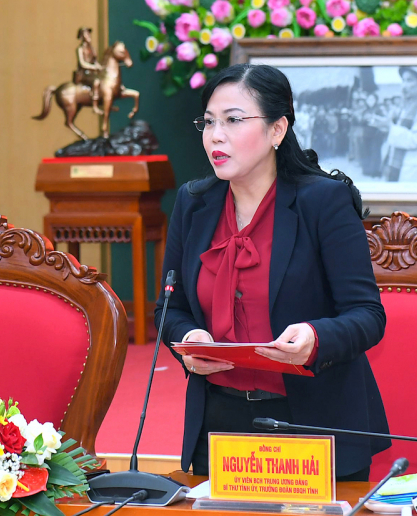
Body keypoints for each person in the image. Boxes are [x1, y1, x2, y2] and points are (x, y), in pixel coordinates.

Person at [155, 64, 389, 481]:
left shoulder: (324, 202)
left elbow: (367, 315)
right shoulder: (194, 204)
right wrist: (190, 340)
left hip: (314, 426)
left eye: (233, 120)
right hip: (220, 427)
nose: (215, 136)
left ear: (278, 129)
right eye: (208, 122)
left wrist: (316, 338)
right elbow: (170, 309)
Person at [368, 66, 417, 182]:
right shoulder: (404, 106)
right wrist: (383, 126)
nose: (404, 85)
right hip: (398, 166)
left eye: (409, 80)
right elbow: (397, 130)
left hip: (415, 170)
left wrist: (390, 128)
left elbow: (416, 139)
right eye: (403, 80)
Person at [73, 27, 103, 115]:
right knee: (96, 82)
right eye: (86, 34)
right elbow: (82, 64)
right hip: (83, 74)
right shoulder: (80, 49)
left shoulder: (92, 49)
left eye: (88, 34)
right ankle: (95, 106)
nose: (88, 35)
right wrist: (93, 67)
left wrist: (99, 67)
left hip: (92, 73)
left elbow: (95, 61)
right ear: (82, 37)